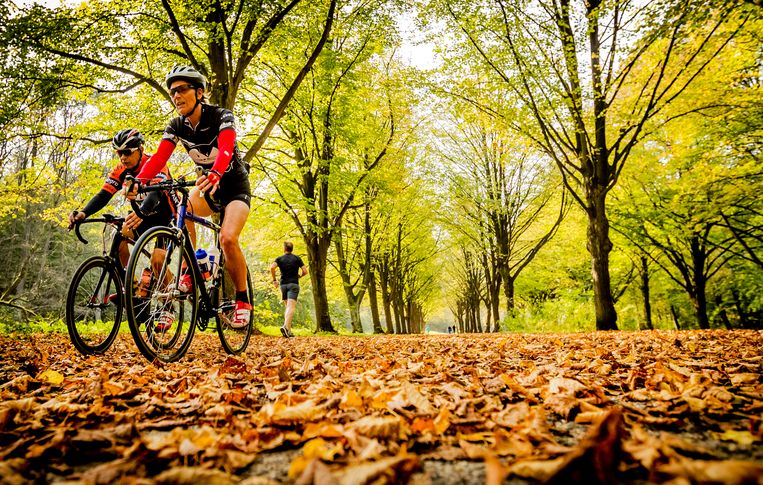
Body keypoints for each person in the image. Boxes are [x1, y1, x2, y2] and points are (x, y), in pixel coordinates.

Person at [127, 66, 253, 329]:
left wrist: (217, 172)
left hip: (234, 187)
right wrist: (139, 181)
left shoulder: (221, 115)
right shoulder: (176, 125)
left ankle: (242, 300)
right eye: (173, 92)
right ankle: (192, 267)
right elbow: (160, 157)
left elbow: (227, 146)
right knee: (180, 209)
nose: (176, 96)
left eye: (182, 90)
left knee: (228, 238)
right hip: (208, 186)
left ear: (199, 92)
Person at [69, 128, 175, 269]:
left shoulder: (155, 164)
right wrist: (84, 213)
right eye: (119, 153)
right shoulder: (121, 169)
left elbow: (156, 193)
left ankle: (169, 288)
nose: (123, 157)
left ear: (140, 149)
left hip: (167, 218)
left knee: (157, 261)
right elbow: (104, 194)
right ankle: (131, 285)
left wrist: (142, 212)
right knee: (118, 237)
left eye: (127, 152)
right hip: (143, 217)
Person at [270, 241, 307, 338]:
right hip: (293, 284)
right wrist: (300, 276)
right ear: (292, 249)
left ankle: (288, 331)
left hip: (283, 285)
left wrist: (274, 280)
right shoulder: (297, 258)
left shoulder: (279, 259)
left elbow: (272, 267)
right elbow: (305, 271)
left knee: (288, 307)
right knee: (291, 307)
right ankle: (285, 327)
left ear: (284, 249)